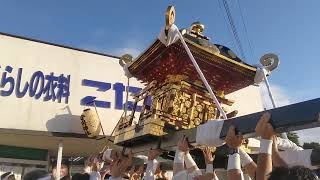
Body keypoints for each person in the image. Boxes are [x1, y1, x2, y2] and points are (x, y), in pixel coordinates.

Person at [255, 112, 318, 180]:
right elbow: (281, 143)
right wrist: (264, 137)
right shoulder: (296, 151)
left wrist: (265, 138)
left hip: (264, 162)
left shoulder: (297, 172)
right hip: (262, 160)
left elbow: (281, 169)